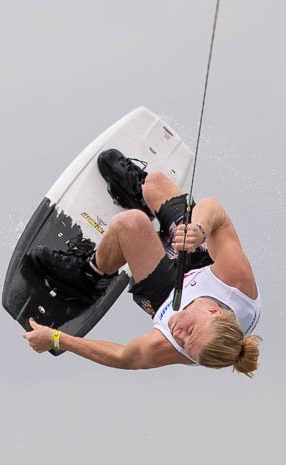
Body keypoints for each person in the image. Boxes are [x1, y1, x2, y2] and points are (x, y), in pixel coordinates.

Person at [23, 150, 261, 375]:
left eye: (185, 346)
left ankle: (90, 275)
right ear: (214, 311)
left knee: (130, 224)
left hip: (165, 294)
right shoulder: (236, 282)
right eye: (190, 331)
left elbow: (123, 356)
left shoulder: (169, 345)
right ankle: (140, 199)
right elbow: (215, 210)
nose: (178, 334)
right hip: (198, 265)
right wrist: (199, 229)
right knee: (156, 182)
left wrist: (56, 339)